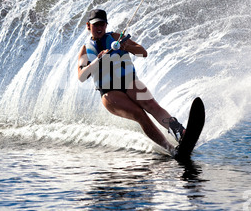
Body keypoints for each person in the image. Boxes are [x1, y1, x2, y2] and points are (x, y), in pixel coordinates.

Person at [77, 9, 185, 157]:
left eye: (102, 24)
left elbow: (143, 52)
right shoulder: (85, 50)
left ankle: (180, 131)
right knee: (140, 114)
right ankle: (171, 149)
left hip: (129, 82)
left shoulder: (116, 37)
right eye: (96, 25)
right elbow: (82, 76)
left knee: (151, 105)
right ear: (88, 26)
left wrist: (125, 47)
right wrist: (97, 60)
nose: (99, 27)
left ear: (106, 25)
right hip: (109, 92)